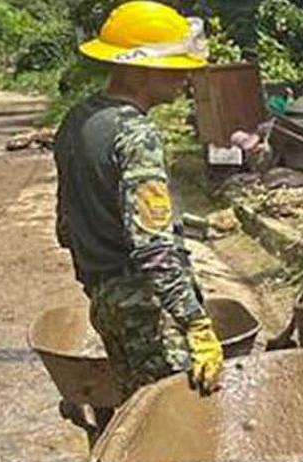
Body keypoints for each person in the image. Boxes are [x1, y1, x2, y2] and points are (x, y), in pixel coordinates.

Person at [55, 1, 221, 401]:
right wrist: (195, 324)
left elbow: (65, 227)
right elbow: (153, 249)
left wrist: (101, 289)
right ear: (139, 68)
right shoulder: (135, 134)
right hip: (148, 309)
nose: (186, 75)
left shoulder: (76, 121)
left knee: (138, 410)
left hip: (107, 299)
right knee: (178, 423)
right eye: (176, 66)